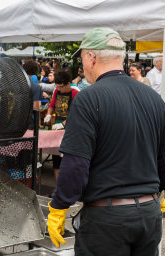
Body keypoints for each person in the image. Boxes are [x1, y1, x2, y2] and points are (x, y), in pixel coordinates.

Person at [47, 27, 165, 255]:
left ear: (91, 58)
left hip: (108, 221)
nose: (81, 66)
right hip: (149, 216)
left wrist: (59, 207)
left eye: (81, 59)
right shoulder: (154, 99)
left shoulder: (88, 99)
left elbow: (75, 165)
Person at [43, 69, 79, 182]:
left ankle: (68, 187)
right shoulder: (56, 92)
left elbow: (76, 113)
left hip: (70, 130)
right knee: (56, 159)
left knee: (67, 159)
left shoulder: (75, 93)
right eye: (57, 86)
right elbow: (52, 104)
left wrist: (63, 124)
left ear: (69, 83)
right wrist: (48, 115)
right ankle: (58, 187)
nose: (59, 89)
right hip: (56, 128)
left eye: (61, 86)